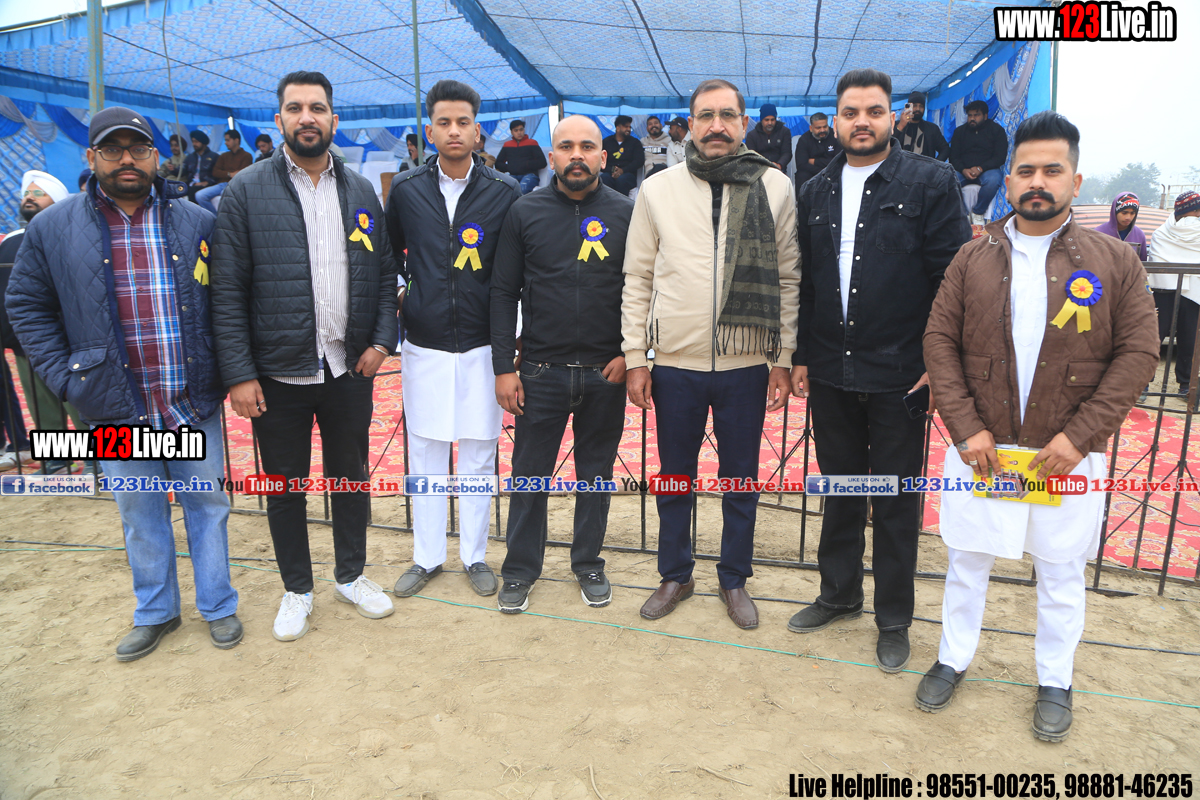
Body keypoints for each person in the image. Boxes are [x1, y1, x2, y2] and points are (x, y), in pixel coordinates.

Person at [920, 111, 1159, 741]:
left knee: (1060, 573)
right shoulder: (972, 257)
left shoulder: (1115, 262)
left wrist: (1080, 438)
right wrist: (966, 428)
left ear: (1075, 181)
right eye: (1025, 170)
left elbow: (1139, 352)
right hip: (984, 452)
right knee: (966, 563)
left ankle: (1055, 678)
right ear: (1009, 181)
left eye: (1052, 170)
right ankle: (952, 659)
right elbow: (939, 341)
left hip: (1065, 454)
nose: (1037, 181)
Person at [6, 106, 241, 660]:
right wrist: (65, 378)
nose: (127, 159)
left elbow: (227, 298)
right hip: (116, 406)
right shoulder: (53, 227)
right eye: (113, 149)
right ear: (92, 157)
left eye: (137, 148)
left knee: (207, 505)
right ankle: (155, 611)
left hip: (188, 401)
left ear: (155, 156)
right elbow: (27, 304)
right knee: (140, 512)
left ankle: (218, 605)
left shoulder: (196, 222)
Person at [787, 69, 971, 671]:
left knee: (894, 500)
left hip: (902, 374)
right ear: (835, 121)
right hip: (831, 370)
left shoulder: (931, 181)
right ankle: (838, 595)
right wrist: (802, 356)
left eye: (873, 111)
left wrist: (938, 363)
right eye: (850, 112)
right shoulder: (815, 189)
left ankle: (894, 619)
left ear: (894, 117)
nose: (861, 121)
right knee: (841, 488)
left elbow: (953, 279)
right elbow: (808, 283)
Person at [209, 71, 399, 642]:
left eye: (317, 108)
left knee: (350, 478)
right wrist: (239, 374)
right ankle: (297, 589)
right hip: (277, 373)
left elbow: (384, 275)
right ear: (279, 120)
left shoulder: (359, 190)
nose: (307, 117)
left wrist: (381, 342)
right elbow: (227, 290)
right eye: (295, 108)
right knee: (283, 486)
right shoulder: (246, 190)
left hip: (347, 368)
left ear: (333, 119)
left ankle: (351, 576)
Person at [622, 79, 800, 630]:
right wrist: (635, 356)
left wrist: (782, 357)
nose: (716, 126)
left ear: (744, 123)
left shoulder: (776, 187)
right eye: (705, 116)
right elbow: (638, 277)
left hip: (746, 363)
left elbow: (788, 277)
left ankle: (734, 578)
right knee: (674, 477)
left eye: (727, 115)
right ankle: (675, 573)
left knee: (741, 479)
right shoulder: (658, 189)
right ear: (691, 124)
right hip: (676, 364)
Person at [491, 115, 635, 613]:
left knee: (595, 476)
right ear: (550, 156)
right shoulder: (524, 211)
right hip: (540, 372)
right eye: (566, 147)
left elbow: (644, 288)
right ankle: (519, 570)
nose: (577, 155)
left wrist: (631, 353)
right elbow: (503, 291)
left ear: (603, 156)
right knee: (529, 477)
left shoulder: (626, 213)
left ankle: (588, 562)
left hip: (605, 373)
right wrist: (503, 367)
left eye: (587, 146)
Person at [384, 79, 522, 600]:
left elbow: (514, 271)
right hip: (425, 343)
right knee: (425, 449)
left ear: (477, 130)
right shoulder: (406, 189)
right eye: (444, 122)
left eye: (463, 122)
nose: (454, 131)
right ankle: (426, 557)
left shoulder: (504, 192)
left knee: (479, 452)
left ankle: (474, 555)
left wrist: (510, 341)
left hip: (484, 345)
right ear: (430, 131)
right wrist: (406, 295)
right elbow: (388, 255)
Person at [0, 170, 84, 474]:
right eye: (27, 193)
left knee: (78, 401)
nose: (29, 198)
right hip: (25, 340)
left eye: (38, 193)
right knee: (42, 404)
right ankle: (57, 460)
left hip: (68, 340)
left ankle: (100, 460)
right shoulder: (11, 240)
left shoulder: (71, 236)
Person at [1147, 191, 1200, 404]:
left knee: (1158, 336)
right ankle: (1184, 385)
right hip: (1184, 291)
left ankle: (1145, 383)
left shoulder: (1160, 232)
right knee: (1184, 337)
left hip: (1169, 289)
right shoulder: (1164, 233)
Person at [950, 100, 1008, 224]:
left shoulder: (997, 131)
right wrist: (963, 170)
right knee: (948, 181)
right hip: (963, 171)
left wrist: (980, 168)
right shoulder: (959, 132)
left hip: (987, 170)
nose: (972, 119)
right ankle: (963, 214)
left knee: (993, 180)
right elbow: (953, 157)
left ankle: (978, 212)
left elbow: (1000, 157)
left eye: (976, 115)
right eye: (970, 115)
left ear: (985, 116)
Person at [194, 130, 252, 215]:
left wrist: (226, 173)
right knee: (199, 195)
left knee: (224, 194)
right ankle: (214, 218)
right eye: (225, 140)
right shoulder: (224, 156)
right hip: (221, 184)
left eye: (228, 140)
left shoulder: (246, 156)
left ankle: (225, 219)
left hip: (235, 185)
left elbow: (242, 174)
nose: (225, 143)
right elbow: (215, 172)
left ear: (236, 140)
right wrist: (229, 174)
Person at [793, 112, 843, 189]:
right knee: (801, 175)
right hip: (811, 173)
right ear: (811, 128)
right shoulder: (804, 139)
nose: (822, 130)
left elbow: (838, 161)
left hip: (831, 172)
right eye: (818, 128)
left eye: (825, 127)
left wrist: (815, 161)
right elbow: (801, 165)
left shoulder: (835, 136)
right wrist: (821, 172)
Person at [495, 120, 546, 194]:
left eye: (521, 129)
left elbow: (542, 162)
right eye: (516, 130)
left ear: (524, 130)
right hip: (512, 176)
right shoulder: (507, 145)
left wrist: (526, 164)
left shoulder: (532, 143)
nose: (519, 132)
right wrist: (509, 167)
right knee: (505, 191)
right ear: (512, 132)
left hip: (530, 175)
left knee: (521, 190)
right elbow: (498, 163)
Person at [895, 91, 949, 161]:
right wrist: (901, 126)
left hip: (925, 167)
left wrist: (935, 165)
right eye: (914, 105)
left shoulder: (932, 128)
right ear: (908, 107)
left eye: (921, 106)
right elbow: (887, 146)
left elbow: (945, 149)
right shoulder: (897, 125)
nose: (918, 109)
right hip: (901, 167)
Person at [600, 115, 645, 196]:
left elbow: (639, 160)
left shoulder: (635, 142)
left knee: (622, 180)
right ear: (618, 128)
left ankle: (621, 204)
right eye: (626, 126)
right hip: (609, 173)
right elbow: (600, 160)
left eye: (629, 127)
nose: (628, 129)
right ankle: (607, 203)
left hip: (628, 174)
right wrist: (613, 170)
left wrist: (623, 170)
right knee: (604, 178)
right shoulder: (606, 142)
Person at [1095, 192, 1147, 260]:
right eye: (1124, 213)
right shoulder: (1099, 233)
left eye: (1132, 213)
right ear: (1115, 212)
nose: (1128, 217)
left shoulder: (1139, 235)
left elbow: (1142, 263)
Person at [745, 103, 792, 172]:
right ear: (761, 120)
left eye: (772, 120)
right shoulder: (752, 135)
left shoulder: (784, 132)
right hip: (758, 170)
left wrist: (779, 165)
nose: (770, 123)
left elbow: (787, 153)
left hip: (779, 170)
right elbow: (751, 156)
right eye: (766, 120)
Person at [181, 130, 218, 202]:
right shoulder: (190, 157)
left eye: (196, 142)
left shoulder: (214, 157)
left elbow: (217, 175)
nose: (194, 144)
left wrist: (207, 182)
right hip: (191, 184)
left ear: (203, 142)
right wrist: (173, 169)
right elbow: (181, 171)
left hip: (205, 185)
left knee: (192, 191)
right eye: (193, 141)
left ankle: (193, 209)